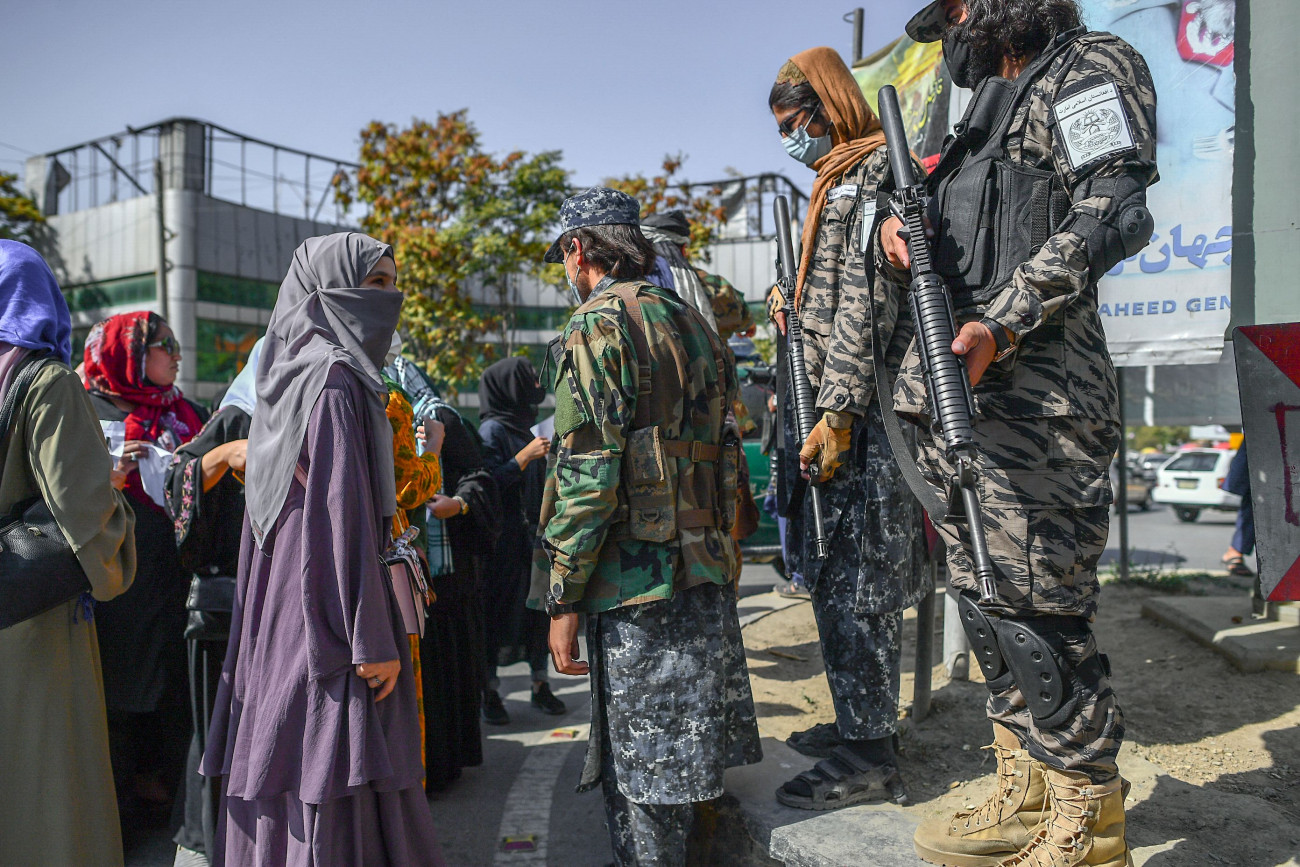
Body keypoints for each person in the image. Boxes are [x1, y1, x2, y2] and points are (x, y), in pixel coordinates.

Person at [878, 2, 1158, 864]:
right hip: (963, 408)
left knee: (1041, 609)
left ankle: (1089, 814)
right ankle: (1026, 783)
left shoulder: (1088, 66)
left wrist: (1000, 323)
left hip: (1042, 405)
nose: (952, 25)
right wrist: (893, 230)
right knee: (988, 601)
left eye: (958, 7)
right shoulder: (979, 117)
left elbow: (1111, 208)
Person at [533, 187, 761, 865]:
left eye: (563, 257)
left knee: (645, 777)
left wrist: (562, 597)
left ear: (579, 249)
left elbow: (586, 475)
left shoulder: (595, 325)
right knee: (693, 760)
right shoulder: (691, 317)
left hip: (637, 583)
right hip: (705, 570)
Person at [201, 233, 443, 865]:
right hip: (330, 608)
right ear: (329, 289)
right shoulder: (336, 379)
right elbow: (345, 520)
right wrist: (372, 642)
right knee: (332, 754)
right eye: (376, 284)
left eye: (392, 282)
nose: (390, 298)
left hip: (285, 598)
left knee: (288, 747)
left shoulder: (285, 370)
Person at [765, 46, 929, 809]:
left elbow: (866, 305)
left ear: (829, 107)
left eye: (796, 124)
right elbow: (832, 298)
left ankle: (869, 753)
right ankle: (858, 724)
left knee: (859, 582)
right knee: (835, 578)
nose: (792, 143)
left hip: (864, 418)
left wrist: (836, 410)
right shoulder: (837, 183)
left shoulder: (867, 178)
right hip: (844, 408)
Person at [0, 240, 137, 867]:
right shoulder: (45, 382)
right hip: (30, 625)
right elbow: (87, 520)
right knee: (47, 797)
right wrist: (121, 515)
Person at [84, 310, 207, 837]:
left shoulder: (188, 411)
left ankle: (173, 803)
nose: (177, 354)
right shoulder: (87, 409)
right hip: (121, 582)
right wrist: (110, 475)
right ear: (128, 354)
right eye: (165, 345)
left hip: (177, 578)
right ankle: (122, 816)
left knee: (177, 690)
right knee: (123, 695)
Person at [165, 339, 259, 865]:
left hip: (275, 612)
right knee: (218, 736)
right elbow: (175, 482)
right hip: (225, 612)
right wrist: (223, 457)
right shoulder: (234, 418)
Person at [477, 356, 564, 725]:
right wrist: (523, 458)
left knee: (537, 617)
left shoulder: (527, 427)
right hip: (504, 543)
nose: (535, 384)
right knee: (498, 617)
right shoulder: (493, 431)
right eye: (526, 378)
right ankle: (491, 692)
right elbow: (485, 485)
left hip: (535, 539)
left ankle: (540, 684)